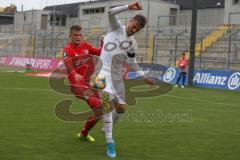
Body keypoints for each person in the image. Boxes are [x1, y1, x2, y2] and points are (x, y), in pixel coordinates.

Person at [99, 1, 155, 158]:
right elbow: (110, 12)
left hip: (116, 77)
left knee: (122, 109)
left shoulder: (132, 44)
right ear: (130, 21)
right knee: (106, 104)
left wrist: (144, 77)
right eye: (133, 24)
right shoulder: (116, 27)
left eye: (137, 28)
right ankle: (110, 142)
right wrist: (128, 7)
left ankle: (106, 128)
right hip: (101, 73)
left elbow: (132, 62)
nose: (134, 28)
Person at [63, 25, 104, 142]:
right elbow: (68, 64)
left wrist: (103, 44)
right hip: (77, 85)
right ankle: (84, 134)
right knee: (98, 105)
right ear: (70, 36)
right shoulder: (67, 50)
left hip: (88, 83)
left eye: (80, 35)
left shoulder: (86, 46)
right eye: (75, 35)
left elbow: (99, 52)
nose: (78, 37)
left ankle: (84, 134)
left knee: (99, 110)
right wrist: (74, 74)